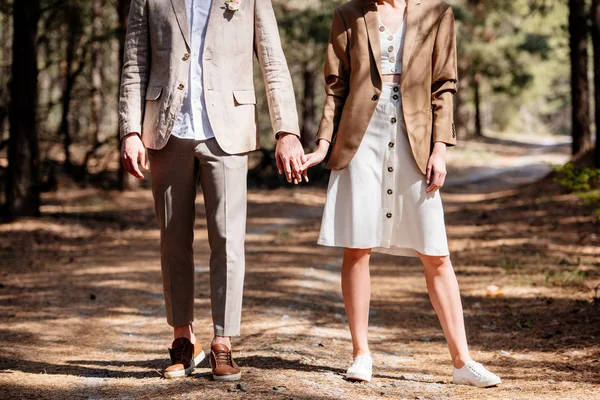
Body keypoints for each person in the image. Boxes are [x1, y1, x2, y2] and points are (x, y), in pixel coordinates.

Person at [301, 0, 501, 387]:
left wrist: (439, 148)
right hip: (360, 139)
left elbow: (444, 84)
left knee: (436, 252)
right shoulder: (349, 13)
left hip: (416, 138)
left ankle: (462, 361)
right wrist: (324, 143)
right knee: (357, 247)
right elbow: (336, 86)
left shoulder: (438, 13)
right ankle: (361, 353)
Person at [119, 0, 304, 381]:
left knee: (228, 241)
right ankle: (183, 342)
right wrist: (130, 130)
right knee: (173, 241)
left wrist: (287, 130)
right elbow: (135, 63)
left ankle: (223, 342)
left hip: (229, 131)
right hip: (166, 129)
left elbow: (273, 62)